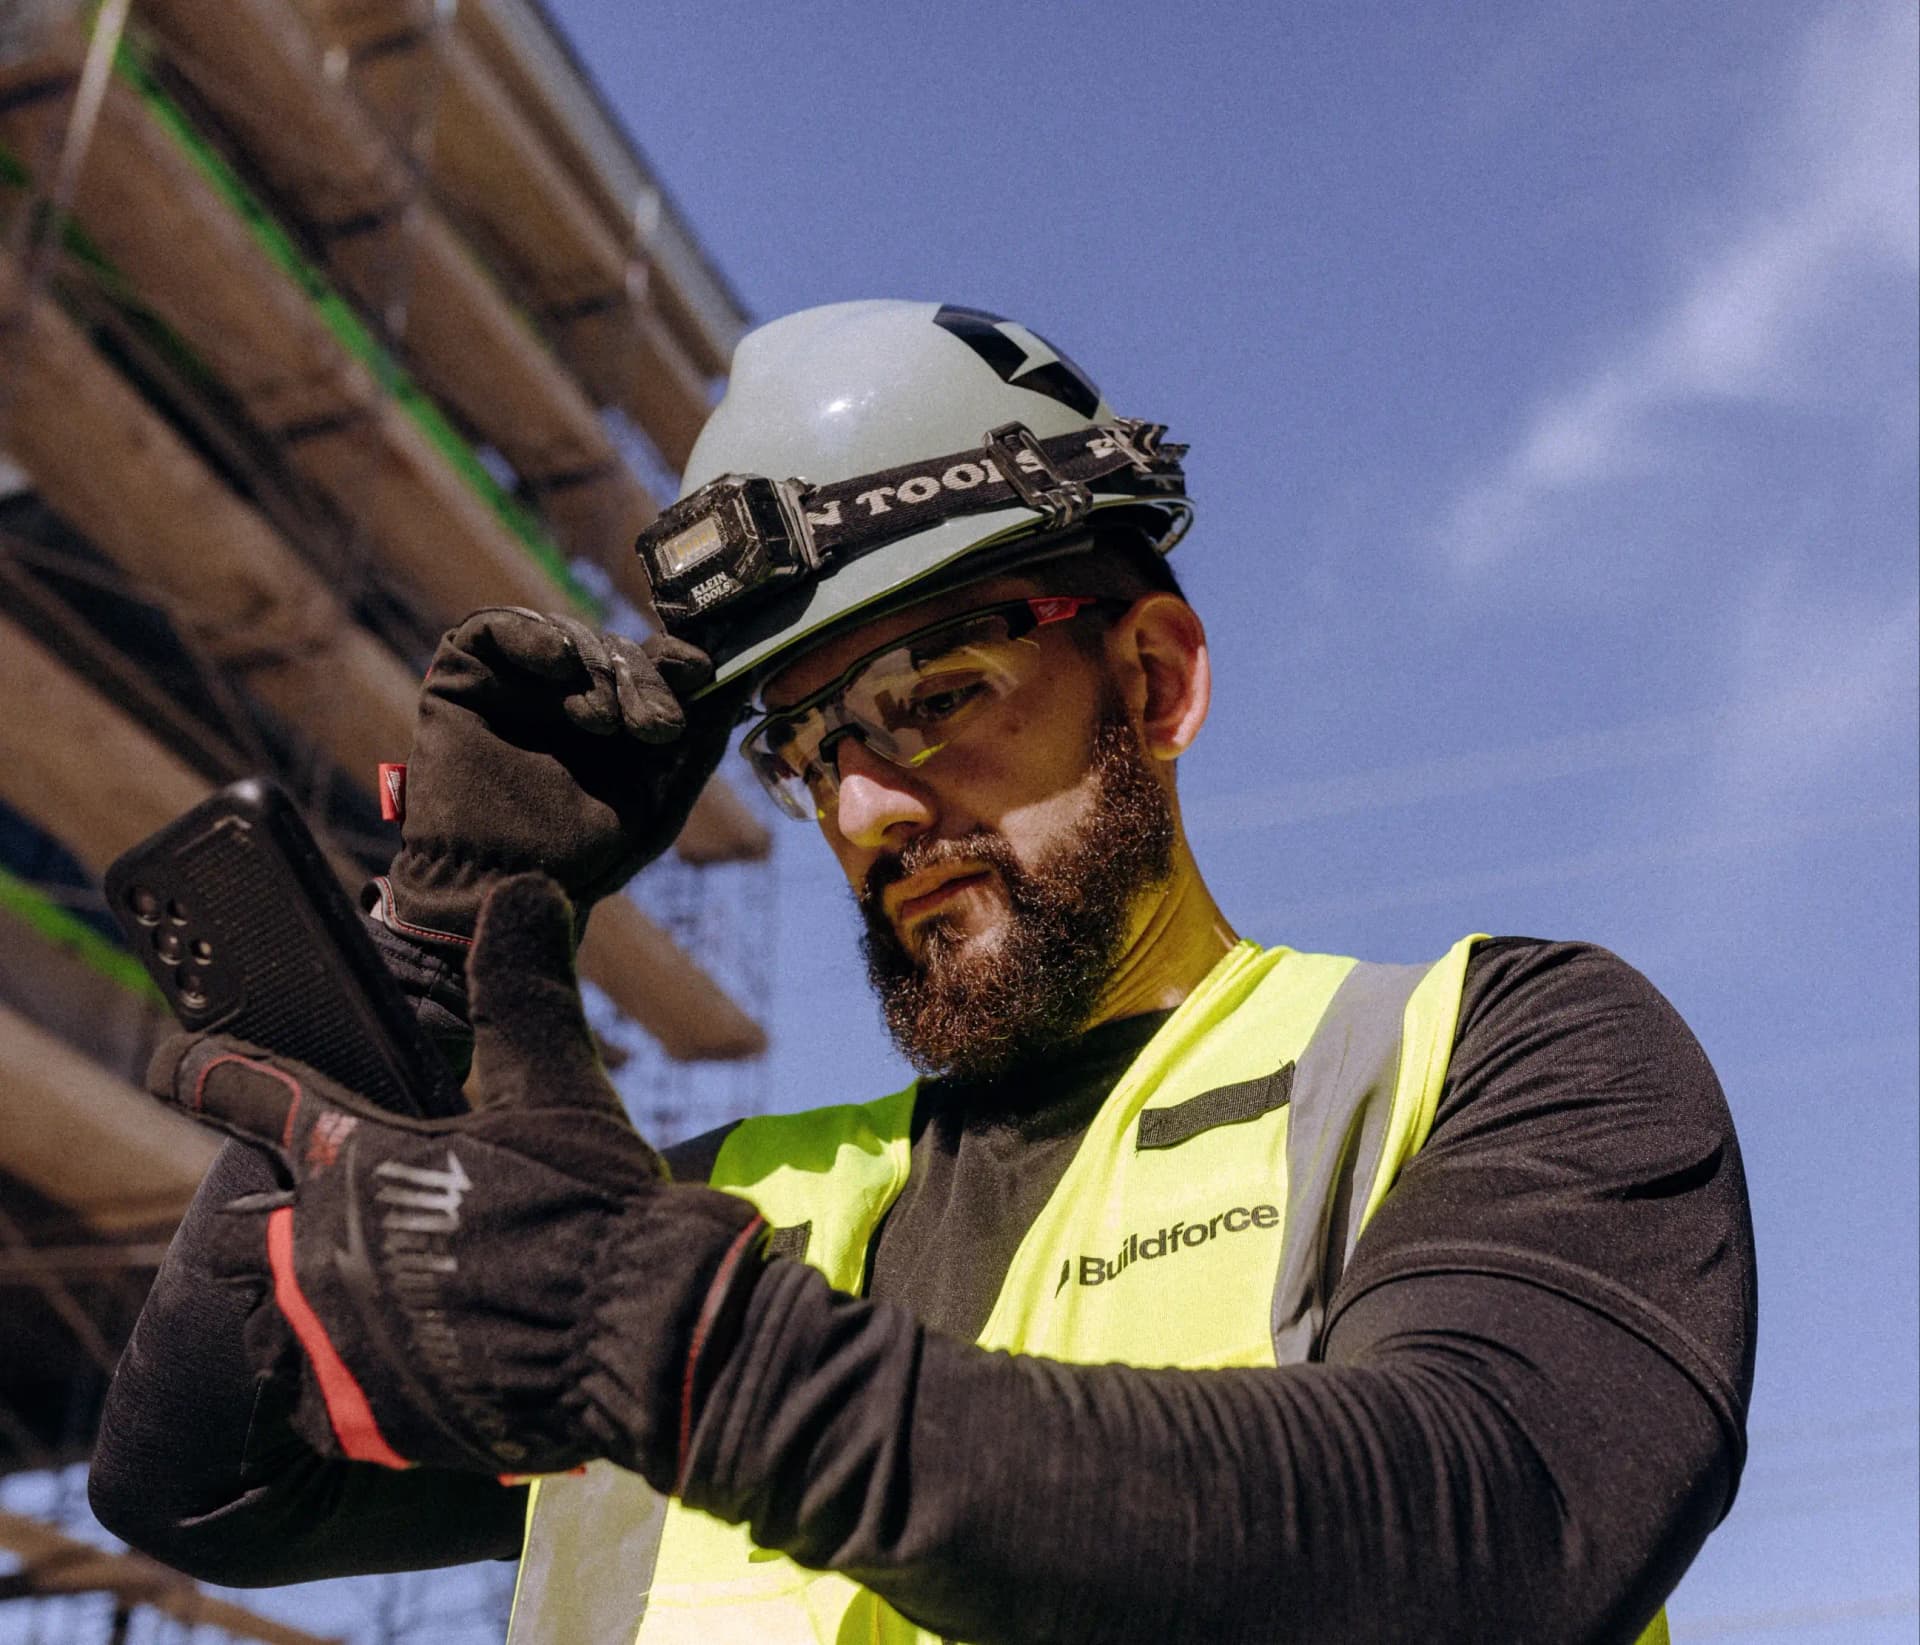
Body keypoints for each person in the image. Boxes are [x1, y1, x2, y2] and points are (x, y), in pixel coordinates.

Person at [89, 300, 1756, 1645]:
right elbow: (208, 1482)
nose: (871, 804)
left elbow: (1503, 1529)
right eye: (810, 748)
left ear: (1156, 683)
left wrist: (704, 1364)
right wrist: (446, 933)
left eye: (933, 693)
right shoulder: (720, 1210)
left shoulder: (1488, 1052)